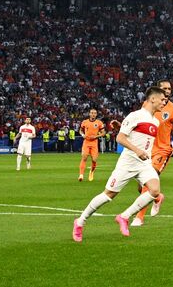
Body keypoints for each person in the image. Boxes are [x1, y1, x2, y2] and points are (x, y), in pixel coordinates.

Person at [72, 87, 167, 241]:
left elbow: (135, 135)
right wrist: (137, 150)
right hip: (128, 163)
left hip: (144, 163)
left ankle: (124, 217)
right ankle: (80, 222)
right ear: (153, 99)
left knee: (155, 191)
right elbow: (120, 138)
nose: (165, 102)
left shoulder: (156, 121)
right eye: (162, 99)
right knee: (108, 195)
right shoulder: (136, 115)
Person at [132, 79, 173, 226]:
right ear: (157, 90)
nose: (168, 91)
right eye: (164, 88)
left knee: (147, 183)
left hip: (162, 151)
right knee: (142, 186)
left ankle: (139, 218)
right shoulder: (147, 105)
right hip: (147, 150)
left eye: (169, 88)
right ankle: (157, 198)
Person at [77, 108, 104, 182]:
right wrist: (83, 135)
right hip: (86, 142)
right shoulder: (85, 122)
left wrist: (96, 136)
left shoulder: (99, 123)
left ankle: (91, 172)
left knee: (94, 160)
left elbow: (103, 132)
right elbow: (80, 130)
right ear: (89, 114)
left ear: (96, 114)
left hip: (94, 143)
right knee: (84, 157)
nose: (93, 114)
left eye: (94, 113)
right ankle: (81, 175)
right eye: (92, 113)